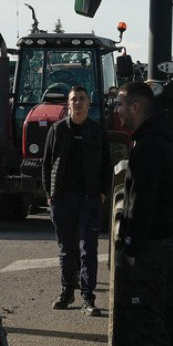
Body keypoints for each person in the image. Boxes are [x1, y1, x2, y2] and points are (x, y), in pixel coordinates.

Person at [110, 81, 173, 346]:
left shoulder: (148, 148)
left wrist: (132, 247)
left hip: (150, 249)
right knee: (150, 318)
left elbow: (142, 204)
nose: (117, 111)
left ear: (136, 108)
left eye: (121, 106)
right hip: (158, 245)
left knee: (147, 321)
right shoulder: (157, 141)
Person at [42, 85, 111, 316]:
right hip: (62, 199)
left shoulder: (97, 132)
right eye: (74, 99)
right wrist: (50, 195)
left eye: (82, 99)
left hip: (89, 199)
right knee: (66, 249)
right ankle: (66, 291)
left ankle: (88, 297)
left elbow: (106, 165)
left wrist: (101, 193)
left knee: (87, 249)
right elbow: (46, 165)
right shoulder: (57, 130)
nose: (78, 103)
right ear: (68, 104)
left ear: (89, 103)